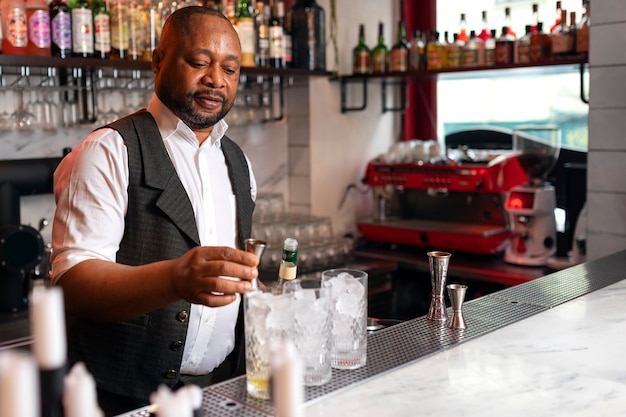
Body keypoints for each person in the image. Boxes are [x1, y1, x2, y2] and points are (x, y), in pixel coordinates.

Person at [50, 6, 258, 415]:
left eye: (230, 70)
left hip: (218, 392)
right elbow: (72, 283)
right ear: (158, 61)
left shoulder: (237, 162)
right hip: (118, 399)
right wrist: (175, 278)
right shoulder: (109, 150)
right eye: (199, 62)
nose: (216, 79)